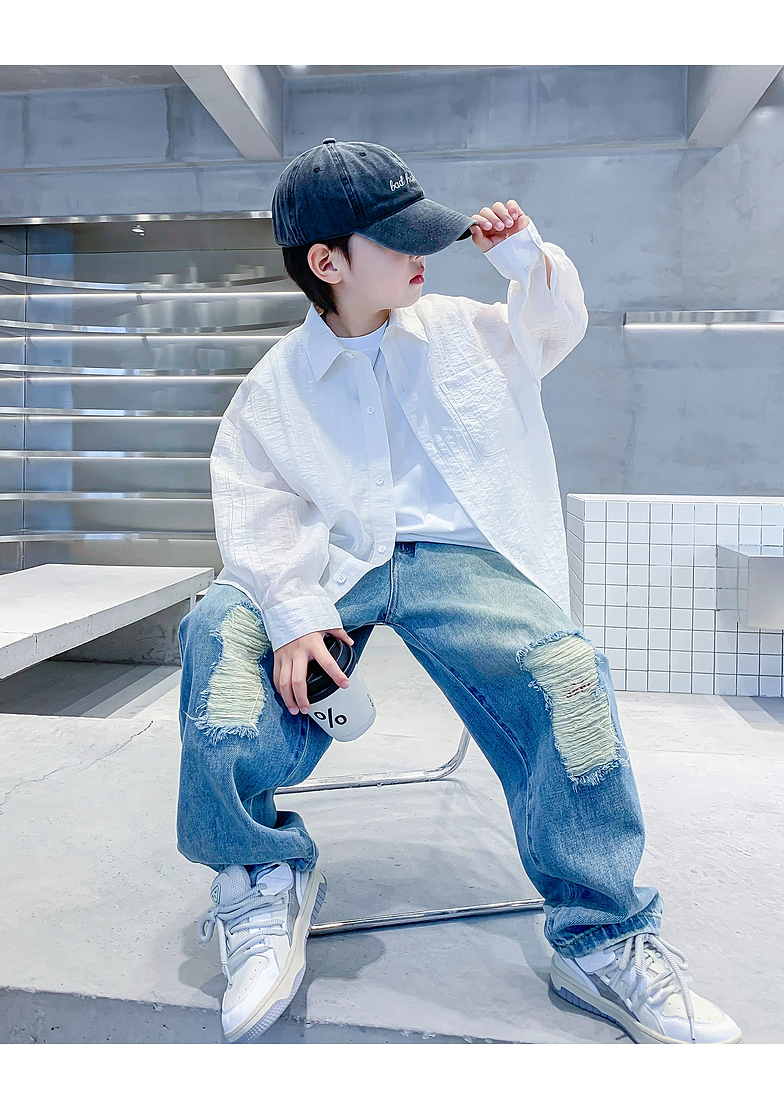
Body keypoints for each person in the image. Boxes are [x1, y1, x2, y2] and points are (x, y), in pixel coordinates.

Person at [177, 138, 742, 1046]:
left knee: (567, 672)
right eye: (395, 238)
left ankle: (601, 937)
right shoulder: (275, 384)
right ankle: (260, 875)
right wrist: (289, 609)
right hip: (331, 563)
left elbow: (553, 327)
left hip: (463, 560)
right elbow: (255, 503)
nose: (422, 252)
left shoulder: (471, 328)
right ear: (327, 263)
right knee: (220, 635)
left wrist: (524, 260)